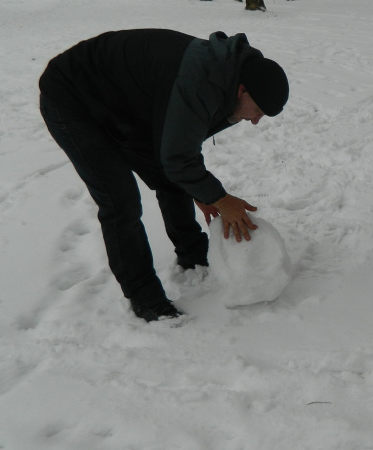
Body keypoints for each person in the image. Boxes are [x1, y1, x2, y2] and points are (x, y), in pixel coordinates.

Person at [38, 29, 290, 322]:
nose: (256, 121)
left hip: (125, 102)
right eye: (257, 110)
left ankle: (192, 253)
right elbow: (178, 158)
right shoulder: (202, 82)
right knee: (121, 200)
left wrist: (202, 190)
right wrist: (220, 199)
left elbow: (181, 148)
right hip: (73, 97)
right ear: (242, 90)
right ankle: (144, 295)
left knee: (171, 176)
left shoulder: (233, 76)